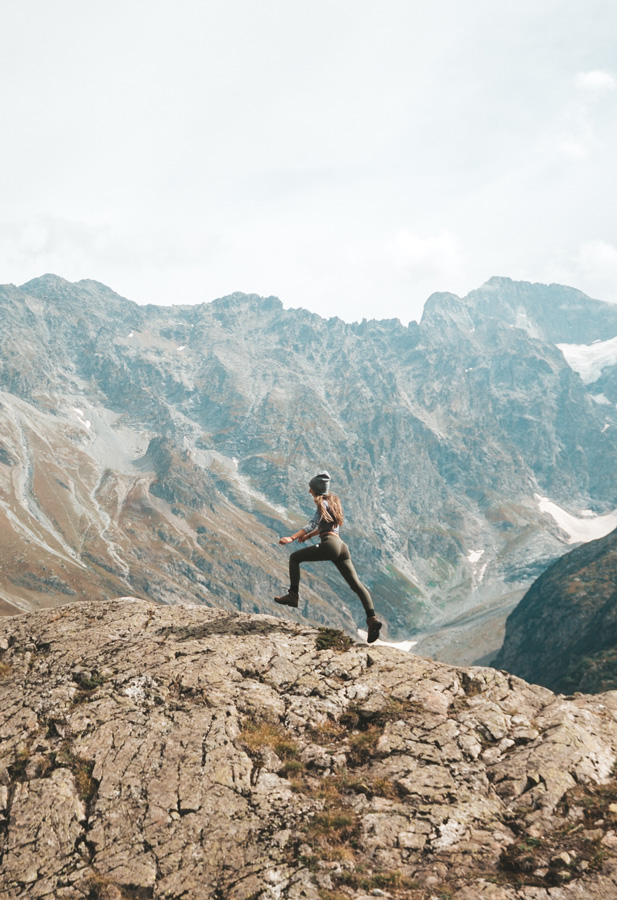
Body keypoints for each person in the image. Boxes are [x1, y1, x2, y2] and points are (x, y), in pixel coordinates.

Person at [275, 471, 383, 643]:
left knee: (294, 558)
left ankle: (293, 596)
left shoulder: (320, 503)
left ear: (315, 489)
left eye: (310, 489)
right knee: (357, 585)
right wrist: (309, 537)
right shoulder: (333, 503)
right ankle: (372, 619)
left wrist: (292, 537)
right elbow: (325, 525)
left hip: (330, 545)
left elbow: (312, 524)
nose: (309, 491)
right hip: (342, 547)